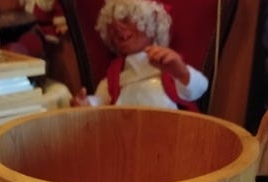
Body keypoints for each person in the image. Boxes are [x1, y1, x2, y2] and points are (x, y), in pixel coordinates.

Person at [70, 0, 209, 110]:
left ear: (150, 22)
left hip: (169, 132)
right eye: (112, 25)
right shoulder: (112, 78)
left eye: (125, 19)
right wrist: (86, 104)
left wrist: (181, 72)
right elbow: (100, 104)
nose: (117, 28)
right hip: (123, 134)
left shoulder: (169, 67)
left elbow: (199, 89)